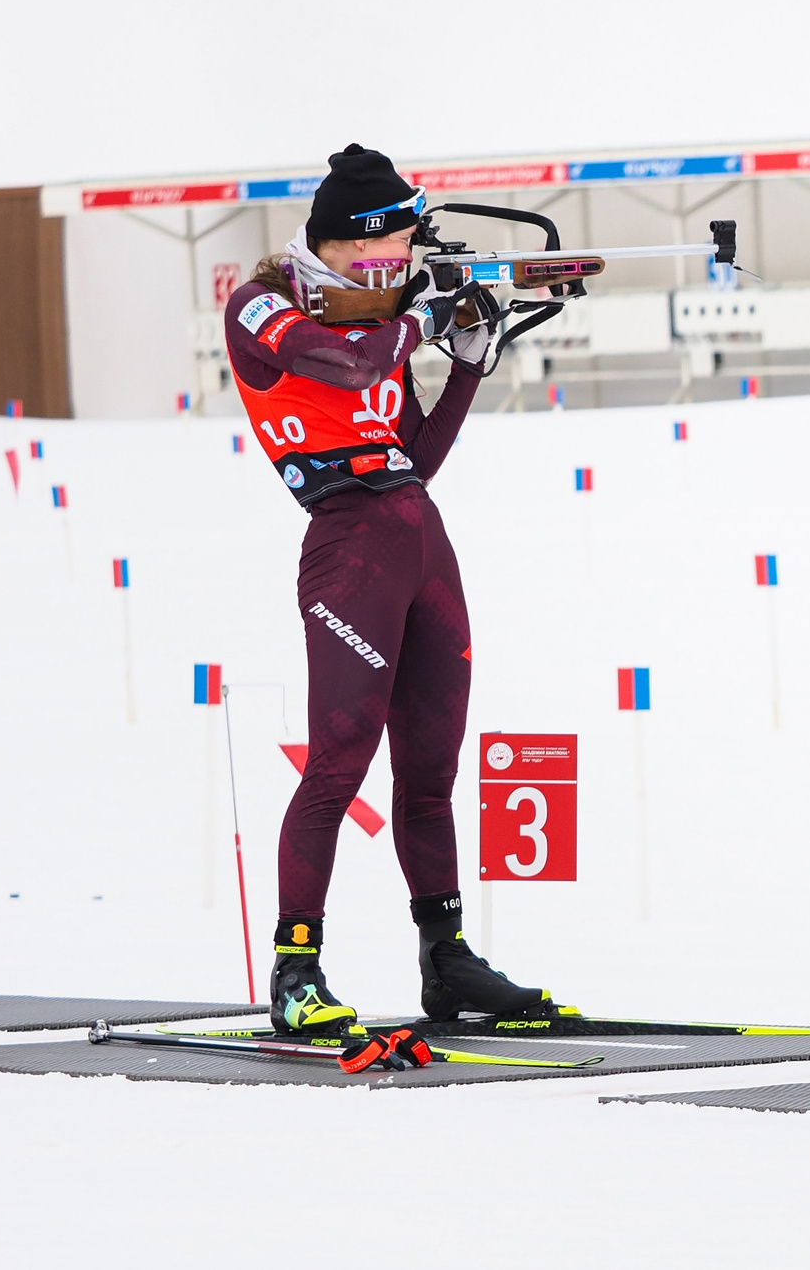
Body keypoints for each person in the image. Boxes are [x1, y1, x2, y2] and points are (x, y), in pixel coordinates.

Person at [221, 144, 551, 1038]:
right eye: (376, 257)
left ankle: (445, 959)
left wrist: (471, 362)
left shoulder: (386, 322)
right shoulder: (259, 305)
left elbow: (415, 458)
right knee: (337, 764)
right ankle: (296, 969)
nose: (391, 271)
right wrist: (420, 316)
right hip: (346, 551)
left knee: (432, 771)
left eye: (402, 258)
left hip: (419, 544)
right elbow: (345, 363)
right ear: (327, 247)